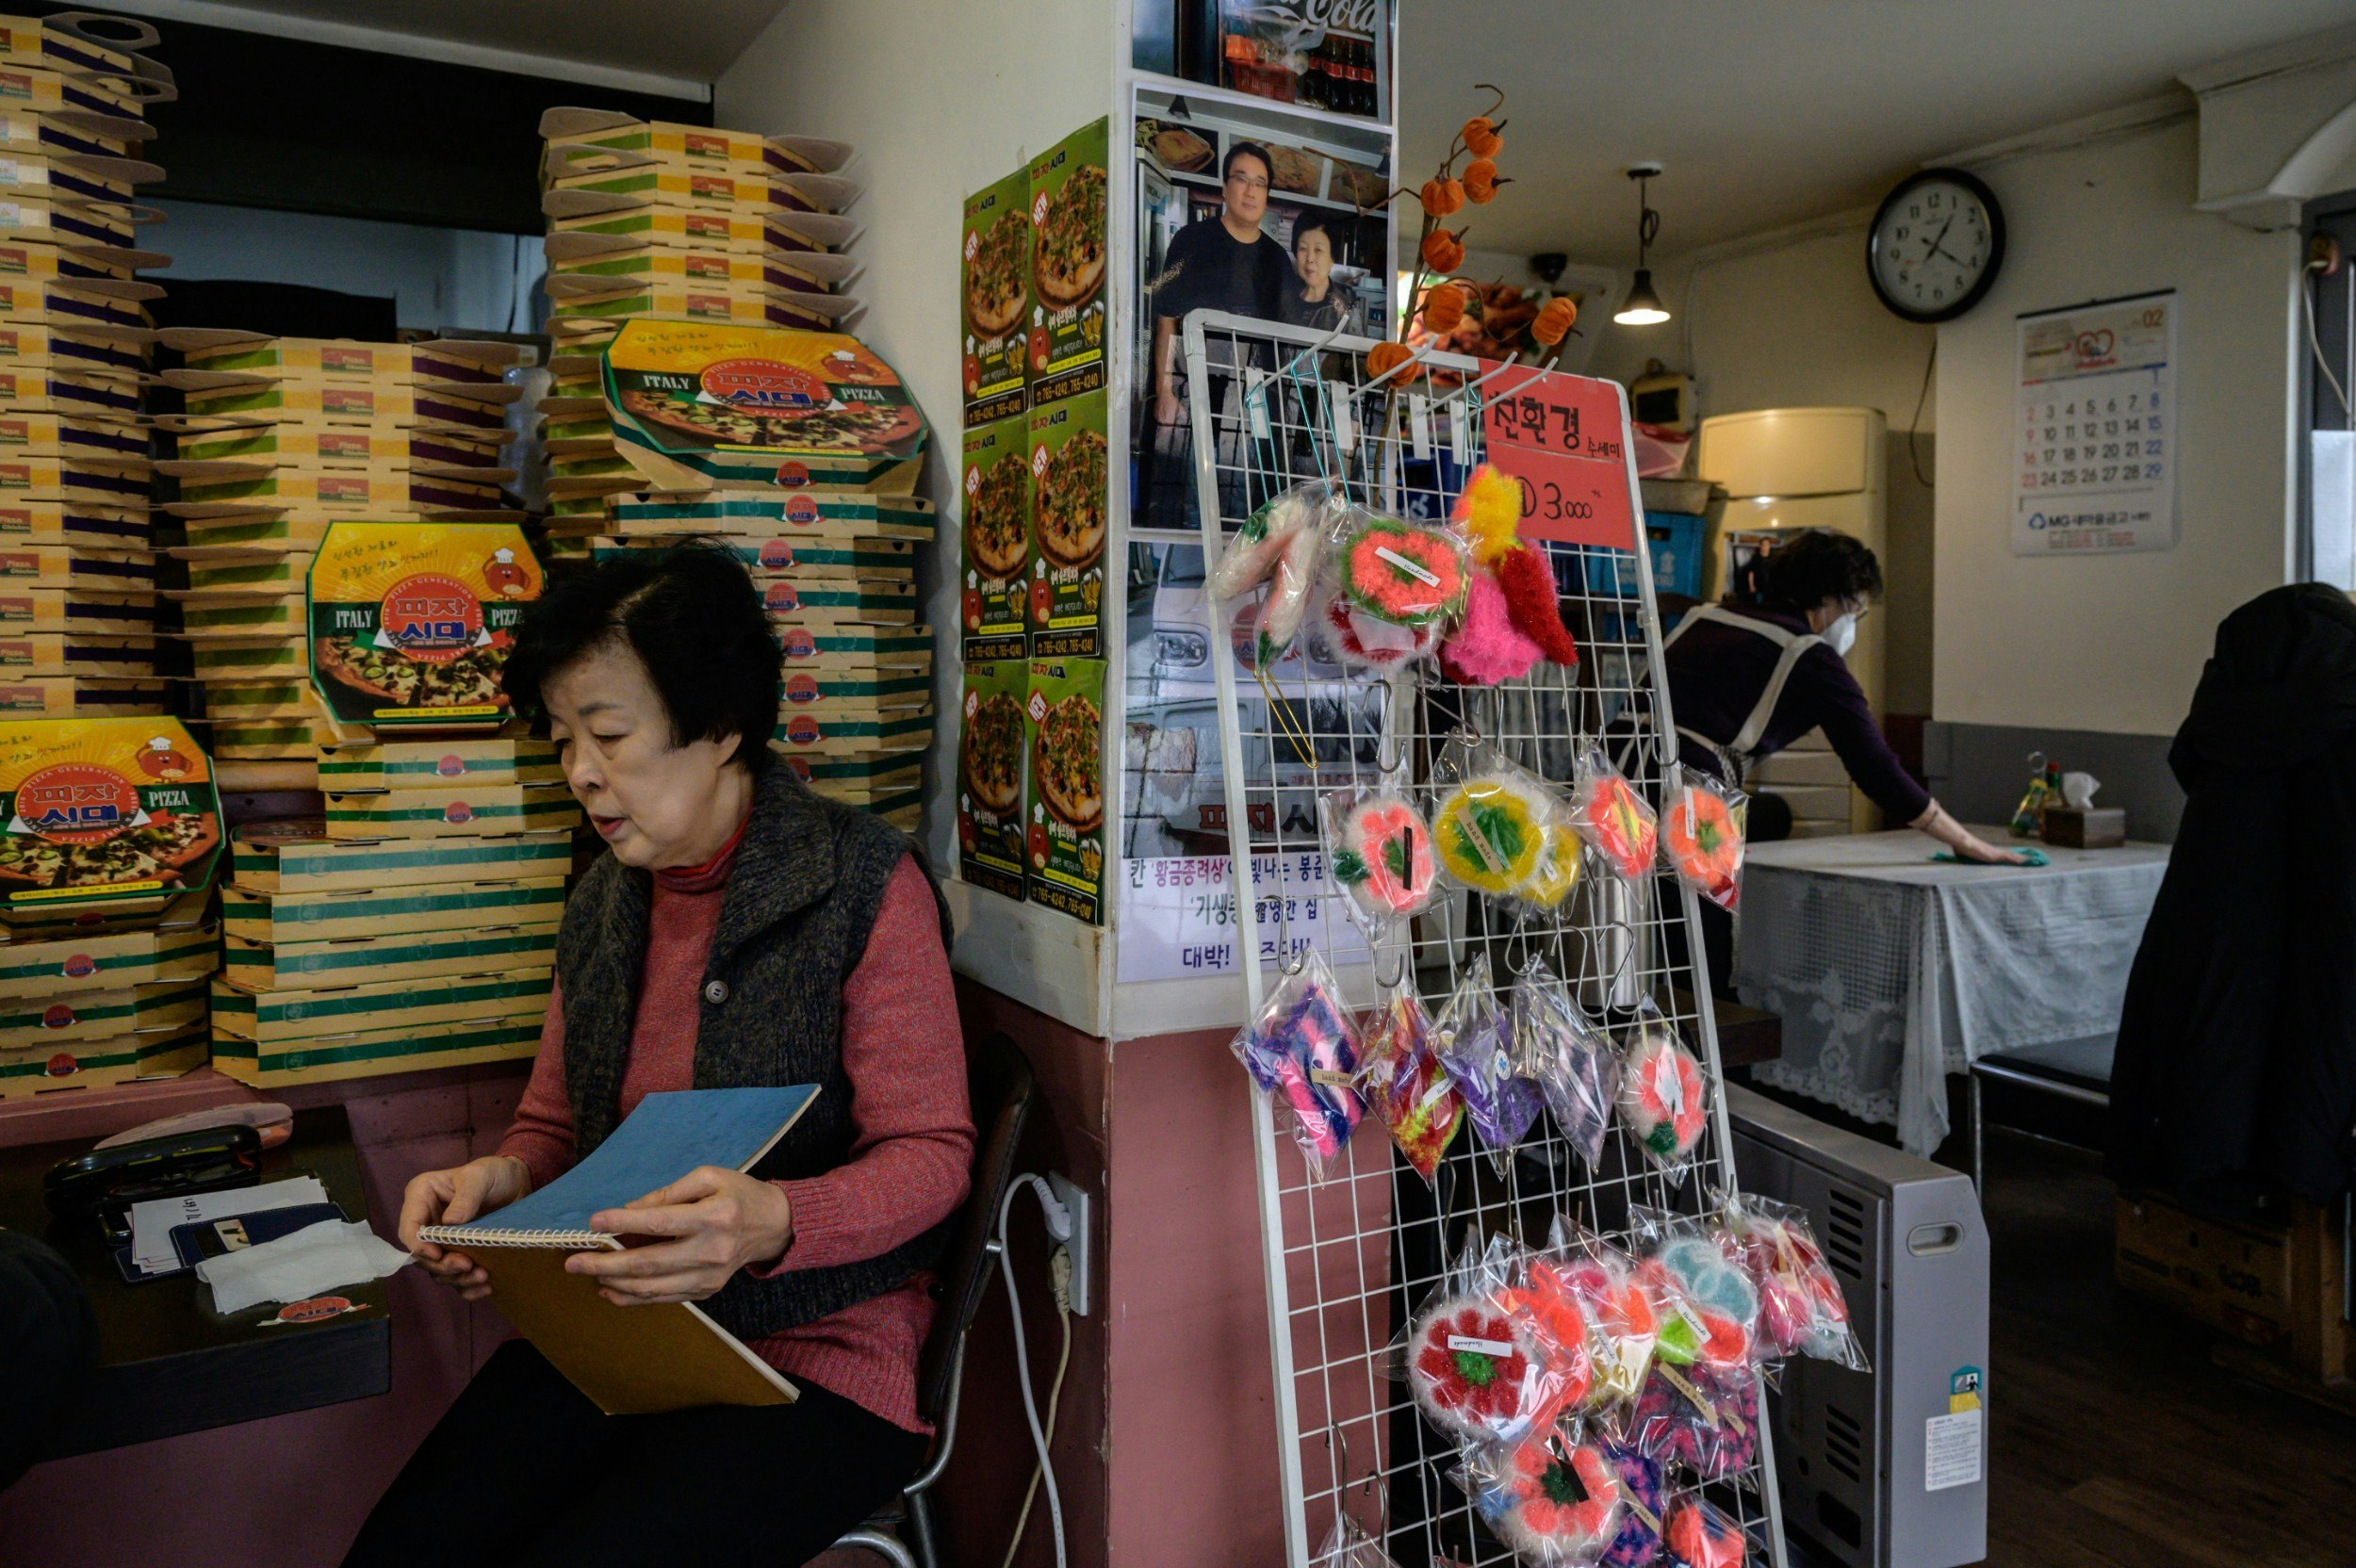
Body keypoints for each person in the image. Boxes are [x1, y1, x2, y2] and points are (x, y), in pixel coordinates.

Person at [344, 545, 973, 1568]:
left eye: (609, 734)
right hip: (628, 1334)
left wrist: (773, 1219)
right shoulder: (603, 899)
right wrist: (495, 1182)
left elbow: (933, 1153)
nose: (581, 771)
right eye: (561, 740)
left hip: (819, 1354)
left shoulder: (861, 882)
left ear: (722, 724)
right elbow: (551, 1126)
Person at [1660, 529, 2022, 985]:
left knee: (1627, 939)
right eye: (1856, 610)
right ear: (1829, 602)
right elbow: (1877, 770)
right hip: (1690, 803)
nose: (1854, 622)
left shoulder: (1706, 617)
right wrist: (1965, 841)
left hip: (1616, 777)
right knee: (1696, 957)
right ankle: (1702, 1049)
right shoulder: (1809, 656)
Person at [1147, 139, 1292, 431]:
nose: (1250, 191)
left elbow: (1281, 346)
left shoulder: (1277, 261)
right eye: (1241, 179)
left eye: (1259, 184)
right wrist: (1164, 390)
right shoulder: (1190, 241)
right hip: (1189, 399)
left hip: (1252, 408)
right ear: (1225, 188)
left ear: (1266, 196)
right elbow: (1167, 320)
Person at [1278, 215, 1353, 335]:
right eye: (1303, 248)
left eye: (1318, 250)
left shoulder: (1346, 312)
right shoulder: (1281, 298)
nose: (1310, 258)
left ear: (1332, 258)